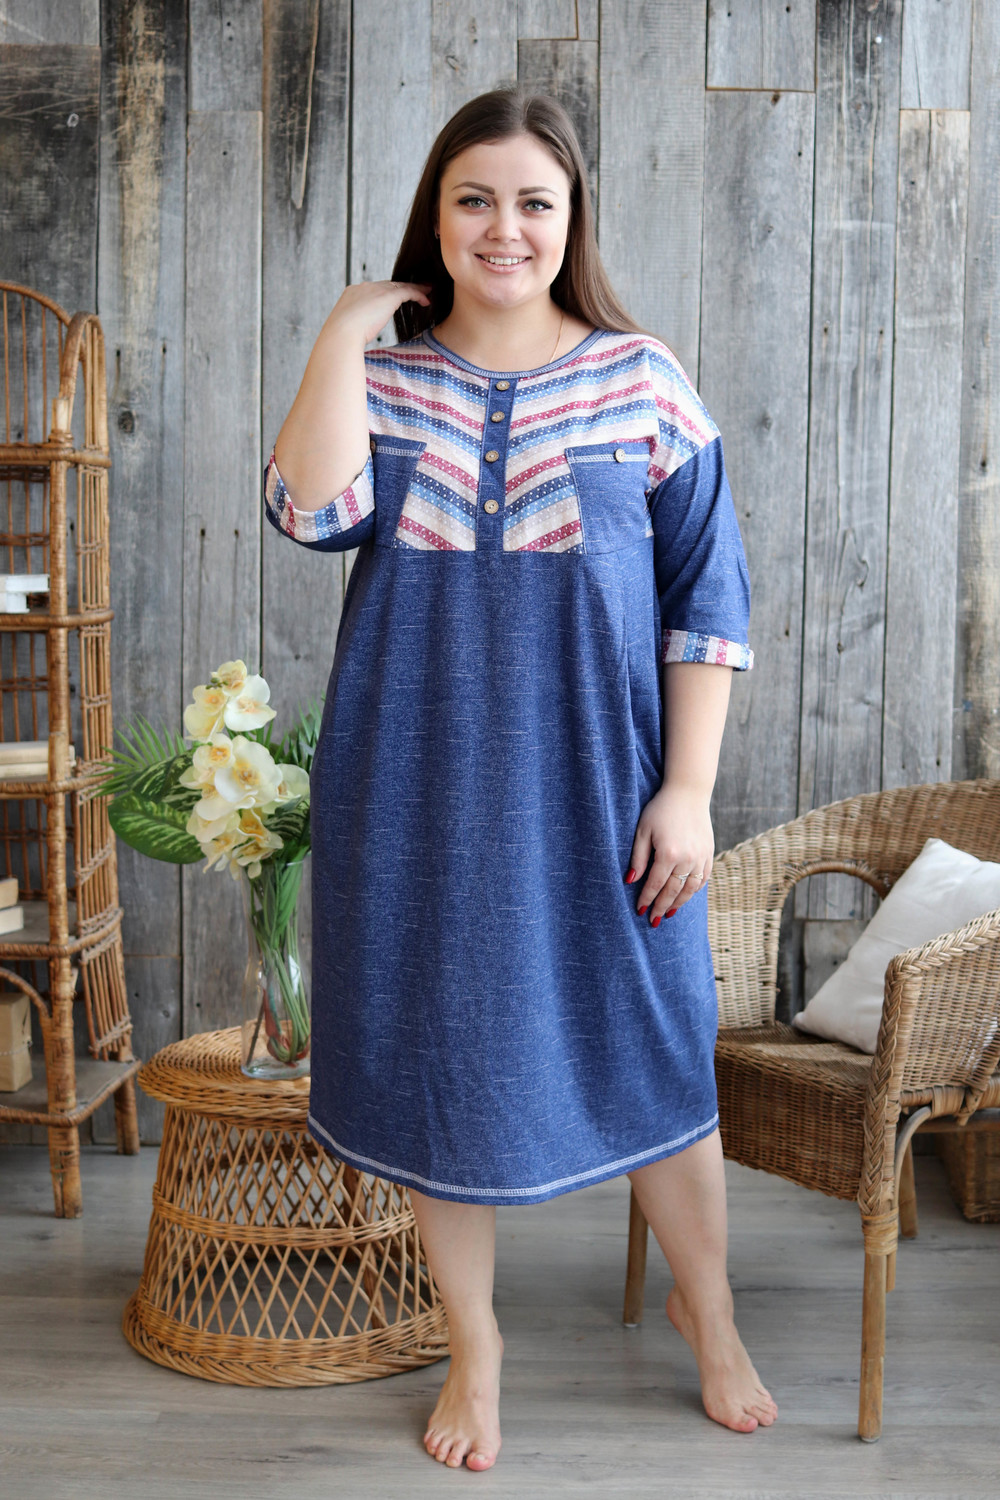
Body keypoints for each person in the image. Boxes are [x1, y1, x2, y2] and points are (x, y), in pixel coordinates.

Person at [264, 86, 776, 1472]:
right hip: (413, 799)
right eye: (475, 199)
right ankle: (476, 1352)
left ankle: (711, 1314)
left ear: (571, 219)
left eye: (534, 202)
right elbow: (309, 511)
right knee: (443, 1065)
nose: (505, 227)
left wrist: (688, 792)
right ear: (437, 215)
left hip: (608, 793)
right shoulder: (384, 383)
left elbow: (708, 607)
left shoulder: (643, 381)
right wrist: (344, 330)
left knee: (656, 1045)